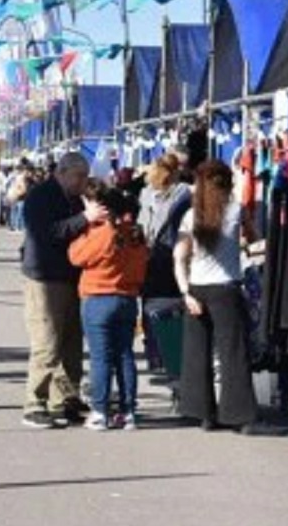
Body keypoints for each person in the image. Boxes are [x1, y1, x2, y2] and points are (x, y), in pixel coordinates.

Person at [175, 160, 267, 434]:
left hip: (197, 287)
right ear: (228, 183)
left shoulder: (191, 217)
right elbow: (254, 241)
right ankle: (239, 416)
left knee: (197, 353)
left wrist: (185, 292)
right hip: (226, 289)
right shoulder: (237, 211)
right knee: (233, 354)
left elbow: (178, 257)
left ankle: (204, 414)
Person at [18, 154, 106, 428]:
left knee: (71, 342)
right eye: (79, 177)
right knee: (47, 342)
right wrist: (84, 218)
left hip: (71, 276)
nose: (83, 183)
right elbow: (48, 233)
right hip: (44, 278)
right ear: (63, 172)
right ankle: (34, 403)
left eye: (85, 177)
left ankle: (64, 400)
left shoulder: (74, 197)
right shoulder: (40, 196)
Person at [69, 184, 149, 431]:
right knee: (124, 355)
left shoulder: (101, 232)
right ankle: (128, 412)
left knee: (100, 357)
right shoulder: (135, 234)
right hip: (127, 298)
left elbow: (76, 256)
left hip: (98, 297)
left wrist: (84, 230)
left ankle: (100, 411)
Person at [138, 153, 192, 375]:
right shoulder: (184, 195)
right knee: (172, 312)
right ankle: (172, 363)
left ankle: (157, 357)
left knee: (152, 308)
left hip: (149, 258)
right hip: (171, 258)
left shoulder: (146, 194)